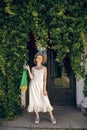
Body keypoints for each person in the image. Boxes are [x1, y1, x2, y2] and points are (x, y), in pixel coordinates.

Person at [25, 52, 56, 124]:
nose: (39, 59)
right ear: (35, 59)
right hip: (33, 86)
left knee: (46, 100)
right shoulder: (33, 68)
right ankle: (37, 117)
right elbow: (32, 78)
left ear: (42, 60)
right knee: (34, 100)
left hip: (41, 86)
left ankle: (52, 117)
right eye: (37, 58)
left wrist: (44, 89)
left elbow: (45, 79)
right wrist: (28, 70)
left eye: (40, 58)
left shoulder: (44, 68)